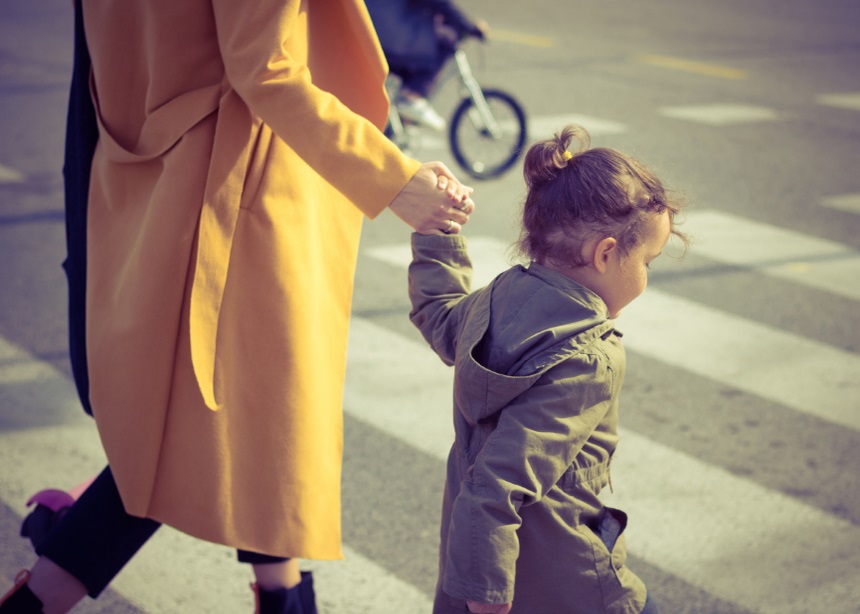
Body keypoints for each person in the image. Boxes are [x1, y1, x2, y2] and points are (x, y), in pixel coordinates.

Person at [0, 0, 476, 612]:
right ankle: (40, 595)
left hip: (152, 175)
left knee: (242, 436)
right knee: (200, 438)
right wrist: (394, 180)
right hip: (236, 199)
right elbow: (266, 69)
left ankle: (274, 594)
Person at [407, 125, 688, 613]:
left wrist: (438, 234)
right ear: (605, 254)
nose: (646, 275)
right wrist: (488, 598)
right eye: (648, 260)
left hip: (476, 561)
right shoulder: (590, 356)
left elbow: (438, 312)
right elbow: (498, 483)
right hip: (567, 583)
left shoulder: (499, 297)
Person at [365, 0, 488, 131]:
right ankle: (412, 97)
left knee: (412, 66)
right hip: (391, 33)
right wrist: (468, 27)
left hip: (373, 26)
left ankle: (401, 126)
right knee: (445, 44)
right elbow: (440, 4)